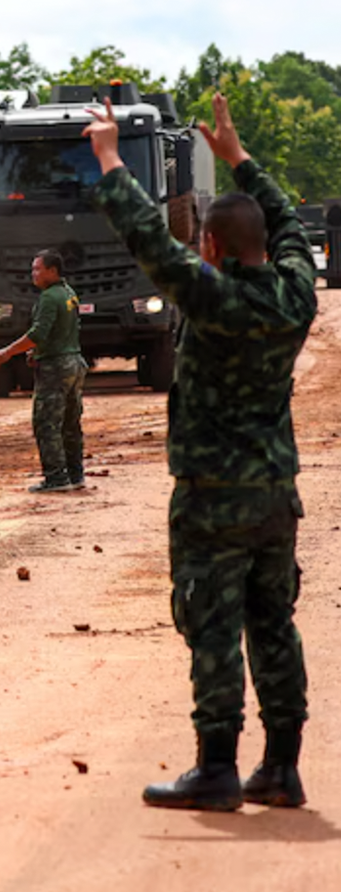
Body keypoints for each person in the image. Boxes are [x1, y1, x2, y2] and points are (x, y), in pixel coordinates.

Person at [88, 93, 316, 811]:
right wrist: (241, 162)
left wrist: (108, 156)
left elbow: (149, 240)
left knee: (213, 625)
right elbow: (291, 236)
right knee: (272, 624)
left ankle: (217, 766)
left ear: (211, 247)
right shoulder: (294, 296)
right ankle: (281, 767)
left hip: (213, 496)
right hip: (275, 494)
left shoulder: (211, 298)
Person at [0, 249, 87, 492]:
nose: (33, 274)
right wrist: (37, 352)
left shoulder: (49, 297)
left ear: (52, 271)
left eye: (37, 269)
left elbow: (38, 333)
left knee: (47, 422)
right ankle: (75, 474)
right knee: (70, 423)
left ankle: (56, 478)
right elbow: (65, 330)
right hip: (74, 362)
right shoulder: (69, 293)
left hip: (56, 368)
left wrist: (7, 352)